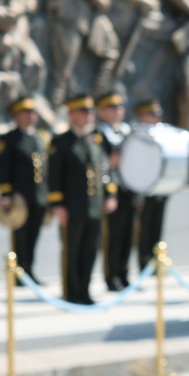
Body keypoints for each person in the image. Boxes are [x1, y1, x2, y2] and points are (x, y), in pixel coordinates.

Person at [48, 95, 118, 304]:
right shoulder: (61, 142)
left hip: (95, 206)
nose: (89, 115)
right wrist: (57, 205)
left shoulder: (96, 139)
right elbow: (54, 176)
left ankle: (85, 291)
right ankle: (71, 293)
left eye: (91, 111)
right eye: (84, 111)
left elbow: (106, 170)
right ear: (71, 115)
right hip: (72, 207)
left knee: (90, 250)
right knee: (72, 250)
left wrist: (110, 194)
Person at [0, 97, 50, 284]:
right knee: (20, 236)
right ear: (17, 116)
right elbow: (4, 168)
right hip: (20, 198)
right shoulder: (9, 139)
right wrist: (5, 194)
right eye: (27, 112)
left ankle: (29, 269)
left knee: (34, 235)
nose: (32, 115)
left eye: (33, 112)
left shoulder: (41, 137)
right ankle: (19, 272)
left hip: (39, 196)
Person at [95, 92, 135, 291]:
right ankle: (112, 276)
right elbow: (98, 165)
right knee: (114, 235)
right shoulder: (99, 134)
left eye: (120, 107)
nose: (118, 111)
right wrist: (110, 163)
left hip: (129, 190)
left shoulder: (128, 132)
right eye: (112, 107)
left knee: (129, 235)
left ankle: (124, 273)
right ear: (102, 111)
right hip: (112, 191)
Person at [133, 100, 170, 269]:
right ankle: (145, 263)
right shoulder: (137, 136)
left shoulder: (162, 133)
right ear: (142, 116)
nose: (156, 117)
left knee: (157, 227)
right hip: (143, 191)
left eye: (158, 114)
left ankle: (156, 261)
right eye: (152, 114)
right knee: (144, 229)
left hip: (160, 188)